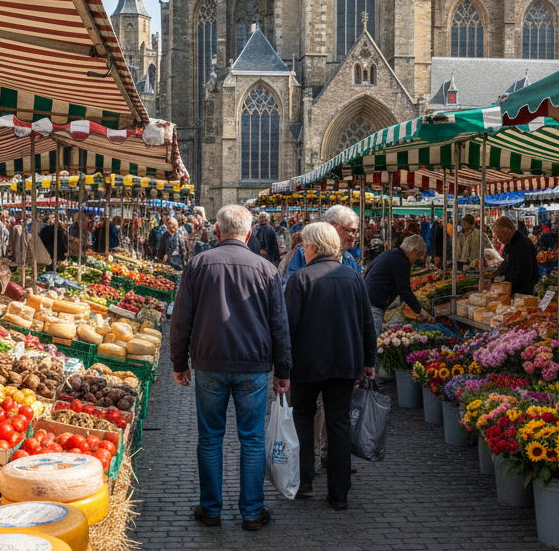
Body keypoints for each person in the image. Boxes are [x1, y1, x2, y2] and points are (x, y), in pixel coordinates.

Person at [170, 204, 290, 532]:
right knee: (251, 439)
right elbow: (280, 325)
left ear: (217, 230)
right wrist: (283, 370)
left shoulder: (198, 264)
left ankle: (211, 510)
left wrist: (179, 362)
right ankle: (252, 511)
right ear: (249, 234)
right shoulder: (266, 269)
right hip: (253, 365)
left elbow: (181, 318)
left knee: (210, 438)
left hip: (210, 362)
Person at [285, 222, 376, 509]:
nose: (303, 249)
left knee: (303, 417)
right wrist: (368, 361)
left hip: (306, 362)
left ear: (312, 246)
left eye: (305, 245)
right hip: (344, 361)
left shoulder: (300, 278)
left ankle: (304, 481)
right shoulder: (353, 277)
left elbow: (288, 327)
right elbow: (367, 323)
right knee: (338, 423)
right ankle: (339, 493)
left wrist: (282, 367)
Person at [364, 233, 428, 340]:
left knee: (365, 340)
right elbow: (405, 291)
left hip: (364, 300)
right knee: (372, 342)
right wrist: (421, 311)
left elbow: (367, 273)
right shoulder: (402, 262)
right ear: (414, 251)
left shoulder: (389, 254)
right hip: (374, 305)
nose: (416, 260)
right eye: (418, 256)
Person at [283, 204, 361, 284]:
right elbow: (291, 285)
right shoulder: (306, 253)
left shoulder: (348, 258)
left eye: (355, 231)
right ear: (331, 227)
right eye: (349, 230)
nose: (353, 235)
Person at [491, 215, 539, 295]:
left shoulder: (523, 244)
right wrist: (496, 274)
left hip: (523, 292)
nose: (499, 240)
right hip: (512, 291)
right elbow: (506, 263)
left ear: (506, 231)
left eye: (499, 237)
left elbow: (523, 273)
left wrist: (503, 278)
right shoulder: (510, 244)